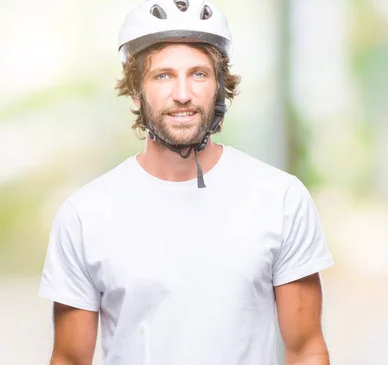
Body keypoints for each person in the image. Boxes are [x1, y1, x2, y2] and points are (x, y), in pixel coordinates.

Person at [37, 0, 334, 364]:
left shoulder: (281, 198)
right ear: (135, 90)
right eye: (163, 75)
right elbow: (69, 359)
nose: (182, 93)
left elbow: (306, 350)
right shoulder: (84, 215)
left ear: (220, 87)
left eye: (198, 74)